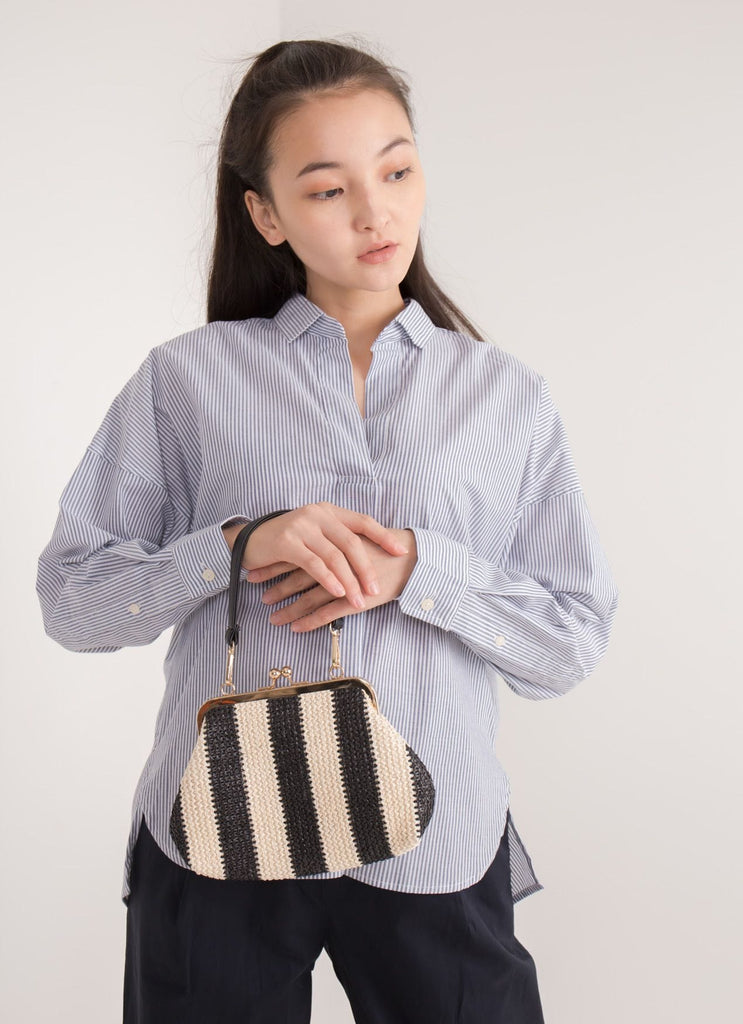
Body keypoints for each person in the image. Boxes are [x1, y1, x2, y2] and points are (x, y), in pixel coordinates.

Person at [36, 37, 619, 1024]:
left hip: (437, 839)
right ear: (265, 214)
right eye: (326, 189)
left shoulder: (506, 398)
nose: (374, 212)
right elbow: (74, 602)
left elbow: (568, 642)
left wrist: (419, 572)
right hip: (219, 827)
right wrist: (232, 546)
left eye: (395, 171)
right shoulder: (187, 380)